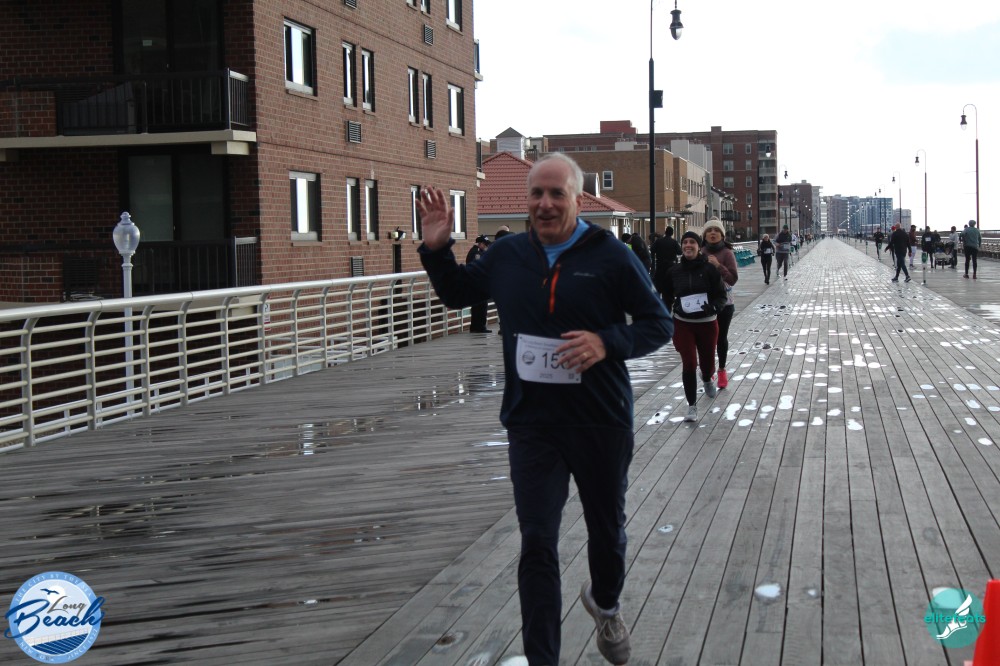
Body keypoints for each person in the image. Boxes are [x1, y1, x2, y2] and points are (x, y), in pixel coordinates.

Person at [416, 153, 673, 666]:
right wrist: (437, 248)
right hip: (532, 423)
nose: (546, 203)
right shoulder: (507, 254)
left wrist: (605, 341)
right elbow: (458, 293)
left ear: (577, 199)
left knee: (607, 533)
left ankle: (606, 603)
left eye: (557, 193)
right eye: (537, 193)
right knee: (537, 541)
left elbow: (658, 323)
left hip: (599, 418)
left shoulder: (611, 255)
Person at [660, 230, 728, 422]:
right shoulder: (673, 271)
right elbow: (666, 296)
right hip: (683, 324)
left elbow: (721, 296)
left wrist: (714, 307)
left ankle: (707, 377)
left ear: (699, 247)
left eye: (692, 242)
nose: (688, 245)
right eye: (685, 242)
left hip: (707, 323)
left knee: (707, 364)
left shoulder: (710, 270)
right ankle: (692, 406)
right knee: (689, 363)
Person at [700, 218, 738, 390]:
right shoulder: (700, 252)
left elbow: (733, 279)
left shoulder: (727, 253)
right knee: (706, 339)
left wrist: (718, 265)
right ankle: (709, 369)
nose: (713, 233)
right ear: (705, 235)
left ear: (722, 235)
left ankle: (722, 369)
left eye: (716, 230)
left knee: (721, 338)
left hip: (725, 303)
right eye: (709, 231)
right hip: (704, 303)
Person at [466, 235, 492, 332]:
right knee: (480, 306)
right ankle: (479, 327)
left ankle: (476, 326)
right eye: (485, 244)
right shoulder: (476, 253)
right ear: (480, 244)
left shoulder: (476, 251)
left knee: (478, 306)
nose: (486, 246)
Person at [651, 226, 682, 296]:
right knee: (669, 284)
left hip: (660, 265)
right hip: (671, 265)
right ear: (672, 233)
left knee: (659, 283)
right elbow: (680, 252)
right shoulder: (674, 242)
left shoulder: (659, 241)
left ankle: (658, 297)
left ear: (665, 232)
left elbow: (652, 250)